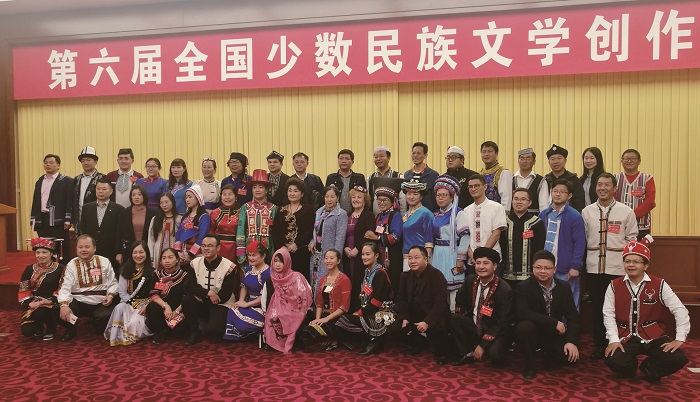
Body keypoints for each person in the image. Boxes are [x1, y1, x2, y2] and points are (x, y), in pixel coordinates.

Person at [603, 240, 689, 384]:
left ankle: (649, 368)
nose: (631, 265)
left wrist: (680, 338)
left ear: (646, 265)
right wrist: (613, 340)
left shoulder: (659, 284)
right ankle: (630, 368)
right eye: (627, 261)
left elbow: (680, 310)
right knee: (613, 359)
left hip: (654, 336)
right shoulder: (614, 285)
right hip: (626, 335)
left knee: (677, 358)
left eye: (636, 262)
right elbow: (608, 314)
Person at [582, 173, 638, 360]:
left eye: (607, 185)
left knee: (618, 309)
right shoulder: (587, 211)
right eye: (599, 184)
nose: (602, 188)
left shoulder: (626, 211)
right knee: (598, 308)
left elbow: (632, 240)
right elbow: (583, 239)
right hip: (593, 269)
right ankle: (600, 345)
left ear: (614, 188)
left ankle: (620, 343)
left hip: (617, 270)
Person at [514, 250, 580, 379]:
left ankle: (547, 352)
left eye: (547, 268)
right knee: (524, 327)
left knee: (567, 359)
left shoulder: (563, 287)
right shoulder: (523, 287)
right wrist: (553, 322)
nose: (542, 271)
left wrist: (571, 341)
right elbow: (522, 313)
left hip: (553, 334)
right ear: (532, 268)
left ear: (554, 269)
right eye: (538, 267)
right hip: (534, 331)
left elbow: (573, 316)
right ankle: (530, 365)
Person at [450, 247, 513, 368]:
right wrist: (462, 313)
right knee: (455, 318)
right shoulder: (470, 280)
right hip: (474, 325)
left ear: (495, 266)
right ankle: (467, 353)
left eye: (486, 263)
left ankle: (487, 348)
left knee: (495, 356)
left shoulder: (505, 290)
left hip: (494, 330)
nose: (481, 267)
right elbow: (459, 299)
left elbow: (503, 322)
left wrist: (482, 345)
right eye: (478, 263)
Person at [56, 235, 118, 341]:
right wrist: (64, 305)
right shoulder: (71, 264)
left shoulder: (104, 261)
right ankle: (71, 327)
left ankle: (96, 322)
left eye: (87, 247)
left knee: (105, 318)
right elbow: (64, 287)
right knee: (57, 310)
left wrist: (110, 295)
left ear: (94, 248)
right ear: (76, 249)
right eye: (80, 247)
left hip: (100, 302)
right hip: (78, 301)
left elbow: (113, 283)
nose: (83, 250)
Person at [335, 242, 394, 355]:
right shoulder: (367, 272)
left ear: (376, 255)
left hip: (379, 314)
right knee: (340, 322)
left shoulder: (380, 273)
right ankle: (369, 338)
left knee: (344, 320)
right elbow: (362, 295)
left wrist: (359, 313)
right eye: (362, 254)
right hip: (368, 311)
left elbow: (377, 302)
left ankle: (375, 339)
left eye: (367, 254)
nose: (364, 257)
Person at [181, 234, 240, 345]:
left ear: (218, 248)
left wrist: (204, 297)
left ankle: (209, 323)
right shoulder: (195, 263)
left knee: (214, 331)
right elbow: (188, 286)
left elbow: (225, 294)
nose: (206, 248)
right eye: (203, 246)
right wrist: (208, 293)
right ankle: (195, 331)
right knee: (187, 300)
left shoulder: (229, 266)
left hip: (221, 303)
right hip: (203, 300)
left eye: (210, 246)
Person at [397, 246, 451, 365]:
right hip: (414, 314)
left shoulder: (436, 275)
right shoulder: (405, 276)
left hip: (433, 315)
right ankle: (419, 343)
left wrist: (427, 322)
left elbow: (440, 303)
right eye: (410, 258)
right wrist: (405, 318)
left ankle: (442, 352)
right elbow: (401, 299)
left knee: (436, 330)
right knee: (395, 328)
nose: (412, 261)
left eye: (416, 257)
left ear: (426, 259)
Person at [538, 179, 585, 310]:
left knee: (569, 304)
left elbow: (579, 243)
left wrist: (575, 266)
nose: (558, 194)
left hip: (566, 269)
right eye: (555, 191)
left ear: (569, 195)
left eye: (562, 192)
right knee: (546, 304)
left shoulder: (575, 216)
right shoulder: (543, 214)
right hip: (545, 268)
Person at [104, 241, 156, 346]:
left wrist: (146, 306)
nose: (138, 255)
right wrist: (134, 304)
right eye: (135, 252)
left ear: (146, 253)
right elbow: (122, 293)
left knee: (134, 323)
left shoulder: (153, 272)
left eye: (141, 252)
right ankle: (115, 337)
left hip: (146, 305)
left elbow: (155, 293)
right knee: (119, 308)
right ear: (131, 254)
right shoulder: (125, 271)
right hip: (129, 302)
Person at [299, 249, 352, 352]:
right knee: (301, 331)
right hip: (323, 316)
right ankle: (328, 339)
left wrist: (325, 319)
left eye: (331, 258)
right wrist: (317, 320)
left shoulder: (344, 279)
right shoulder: (323, 279)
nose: (328, 261)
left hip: (337, 318)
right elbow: (319, 303)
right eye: (326, 258)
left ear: (338, 261)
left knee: (308, 334)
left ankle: (332, 339)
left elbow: (344, 307)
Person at [262, 248, 313, 353]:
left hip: (296, 310)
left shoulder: (297, 277)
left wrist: (293, 307)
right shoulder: (270, 279)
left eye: (281, 261)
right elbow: (264, 298)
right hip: (276, 309)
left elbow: (306, 294)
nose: (277, 264)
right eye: (275, 261)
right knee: (274, 316)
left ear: (287, 262)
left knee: (290, 316)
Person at [431, 174, 469, 312]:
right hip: (437, 253)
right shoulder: (435, 214)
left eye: (444, 195)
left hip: (452, 253)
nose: (440, 198)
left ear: (452, 197)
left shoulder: (459, 213)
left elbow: (465, 237)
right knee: (439, 290)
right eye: (438, 195)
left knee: (454, 291)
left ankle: (454, 317)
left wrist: (460, 258)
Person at [457, 174, 507, 275]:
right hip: (472, 261)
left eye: (476, 186)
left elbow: (496, 234)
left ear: (485, 187)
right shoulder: (466, 210)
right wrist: (471, 254)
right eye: (470, 187)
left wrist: (481, 256)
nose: (473, 189)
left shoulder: (496, 207)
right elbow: (466, 236)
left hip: (492, 258)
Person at [146, 248, 198, 345]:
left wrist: (176, 312)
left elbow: (187, 296)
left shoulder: (184, 275)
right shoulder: (157, 275)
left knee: (178, 332)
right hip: (163, 308)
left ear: (177, 259)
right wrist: (166, 306)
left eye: (170, 257)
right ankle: (160, 332)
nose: (167, 261)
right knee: (151, 307)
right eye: (164, 258)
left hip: (179, 309)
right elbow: (153, 294)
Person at [18, 237, 64, 341]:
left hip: (51, 302)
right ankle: (38, 325)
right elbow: (24, 289)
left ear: (51, 253)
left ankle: (51, 328)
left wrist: (51, 300)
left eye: (44, 252)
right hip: (33, 302)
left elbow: (62, 288)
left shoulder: (60, 268)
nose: (40, 255)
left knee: (41, 312)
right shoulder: (29, 269)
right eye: (38, 253)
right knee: (27, 331)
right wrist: (29, 303)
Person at [223, 241, 271, 341]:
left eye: (254, 255)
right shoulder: (248, 269)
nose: (251, 258)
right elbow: (244, 286)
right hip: (248, 303)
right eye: (249, 255)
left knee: (242, 324)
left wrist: (246, 304)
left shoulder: (267, 273)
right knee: (232, 310)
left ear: (263, 256)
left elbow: (264, 296)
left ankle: (251, 331)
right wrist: (241, 301)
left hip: (261, 307)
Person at [30, 153, 73, 262]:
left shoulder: (66, 181)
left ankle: (63, 268)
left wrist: (68, 219)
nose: (48, 165)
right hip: (42, 219)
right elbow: (35, 201)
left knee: (60, 248)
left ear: (58, 165)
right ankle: (48, 268)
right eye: (46, 163)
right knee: (45, 247)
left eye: (51, 163)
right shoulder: (39, 181)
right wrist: (33, 219)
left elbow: (69, 201)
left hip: (58, 219)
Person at [500, 188, 546, 287]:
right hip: (507, 274)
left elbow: (540, 247)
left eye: (523, 199)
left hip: (529, 275)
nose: (519, 202)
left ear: (530, 202)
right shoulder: (504, 222)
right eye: (516, 199)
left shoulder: (536, 222)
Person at [308, 185, 348, 299]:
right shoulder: (319, 212)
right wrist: (312, 241)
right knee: (315, 281)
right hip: (317, 255)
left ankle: (327, 307)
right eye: (327, 196)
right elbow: (316, 231)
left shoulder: (341, 214)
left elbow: (340, 238)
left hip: (330, 255)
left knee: (328, 283)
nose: (329, 199)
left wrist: (335, 256)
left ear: (337, 198)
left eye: (332, 197)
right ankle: (316, 306)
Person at [271, 178, 314, 283]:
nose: (292, 193)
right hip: (283, 252)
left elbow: (310, 230)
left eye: (295, 191)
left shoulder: (308, 209)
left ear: (302, 193)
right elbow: (275, 231)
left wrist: (297, 244)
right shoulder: (281, 209)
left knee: (300, 281)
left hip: (301, 252)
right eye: (289, 190)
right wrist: (283, 246)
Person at [364, 187, 403, 297]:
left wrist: (376, 238)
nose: (381, 203)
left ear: (392, 202)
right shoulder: (379, 216)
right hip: (380, 256)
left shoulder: (395, 215)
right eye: (379, 200)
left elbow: (395, 237)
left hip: (392, 256)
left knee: (392, 281)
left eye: (385, 200)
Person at [80, 177, 125, 271]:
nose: (100, 191)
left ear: (111, 191)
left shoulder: (119, 209)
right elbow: (83, 229)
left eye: (104, 189)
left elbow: (120, 233)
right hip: (91, 250)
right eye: (98, 189)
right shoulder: (87, 208)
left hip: (110, 251)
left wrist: (119, 252)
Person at [343, 185, 376, 312]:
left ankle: (359, 309)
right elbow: (342, 234)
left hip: (361, 254)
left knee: (359, 281)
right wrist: (345, 247)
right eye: (353, 197)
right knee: (348, 281)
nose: (355, 200)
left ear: (365, 200)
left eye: (359, 197)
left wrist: (357, 248)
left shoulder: (369, 215)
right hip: (347, 255)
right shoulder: (347, 215)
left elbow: (369, 236)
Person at [236, 169, 278, 265]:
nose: (257, 190)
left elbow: (277, 232)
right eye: (254, 187)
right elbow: (240, 230)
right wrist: (241, 252)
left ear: (266, 190)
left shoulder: (273, 208)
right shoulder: (245, 207)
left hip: (269, 251)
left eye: (261, 187)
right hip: (249, 251)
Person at [614, 149, 656, 240]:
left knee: (639, 249)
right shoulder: (615, 178)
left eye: (632, 158)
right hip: (619, 224)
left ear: (639, 161)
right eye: (626, 158)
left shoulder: (647, 178)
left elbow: (650, 202)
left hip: (641, 226)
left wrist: (632, 215)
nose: (629, 161)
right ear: (621, 161)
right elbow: (612, 200)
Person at [115, 186, 155, 265]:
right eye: (133, 195)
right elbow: (118, 233)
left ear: (144, 196)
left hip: (147, 249)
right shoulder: (125, 213)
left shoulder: (152, 213)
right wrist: (118, 252)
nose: (136, 197)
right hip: (128, 250)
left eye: (139, 194)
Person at [400, 181, 434, 272]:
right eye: (409, 194)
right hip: (406, 256)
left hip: (420, 258)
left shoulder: (426, 213)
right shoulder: (405, 214)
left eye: (415, 194)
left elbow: (429, 239)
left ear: (421, 196)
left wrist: (427, 258)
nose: (411, 197)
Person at [174, 185, 211, 266]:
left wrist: (190, 254)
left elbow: (202, 236)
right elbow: (179, 233)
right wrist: (178, 251)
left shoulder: (204, 217)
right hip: (183, 254)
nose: (187, 200)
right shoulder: (185, 216)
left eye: (190, 197)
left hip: (197, 254)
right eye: (186, 197)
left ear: (198, 197)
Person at [544, 144, 585, 212]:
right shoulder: (545, 180)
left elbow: (579, 203)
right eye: (553, 159)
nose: (556, 162)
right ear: (549, 162)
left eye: (559, 158)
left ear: (565, 160)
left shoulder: (573, 180)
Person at [72, 146, 104, 233]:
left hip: (97, 219)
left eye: (89, 160)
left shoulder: (102, 178)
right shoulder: (76, 180)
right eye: (83, 161)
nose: (86, 163)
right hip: (79, 219)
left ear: (95, 161)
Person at [325, 149, 366, 214]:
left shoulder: (359, 178)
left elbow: (365, 198)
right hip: (335, 215)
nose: (343, 161)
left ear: (352, 162)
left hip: (355, 215)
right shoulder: (331, 178)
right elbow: (326, 197)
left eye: (347, 159)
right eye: (341, 158)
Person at [147, 192, 182, 269]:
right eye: (161, 203)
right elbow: (151, 239)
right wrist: (151, 256)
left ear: (172, 202)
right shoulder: (155, 219)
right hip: (158, 252)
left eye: (166, 202)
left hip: (174, 251)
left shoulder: (179, 219)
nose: (164, 205)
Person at [368, 146, 405, 214]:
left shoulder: (398, 177)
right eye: (376, 157)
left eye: (381, 156)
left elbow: (403, 200)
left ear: (389, 157)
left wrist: (402, 216)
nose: (378, 159)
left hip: (394, 217)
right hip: (375, 217)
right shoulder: (370, 179)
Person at [512, 148, 549, 214]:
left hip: (534, 218)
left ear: (534, 161)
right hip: (513, 218)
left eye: (528, 158)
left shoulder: (541, 181)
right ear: (518, 161)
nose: (524, 161)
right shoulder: (511, 179)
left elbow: (544, 205)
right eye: (522, 158)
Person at [404, 142, 439, 212]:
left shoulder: (433, 175)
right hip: (411, 213)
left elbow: (434, 199)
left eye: (418, 153)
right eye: (413, 153)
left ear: (425, 155)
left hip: (427, 213)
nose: (415, 156)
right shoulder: (407, 174)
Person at [209, 184, 240, 262]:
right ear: (221, 197)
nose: (227, 197)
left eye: (230, 194)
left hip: (236, 248)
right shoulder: (215, 212)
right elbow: (211, 232)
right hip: (219, 248)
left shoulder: (241, 212)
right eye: (224, 194)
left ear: (236, 197)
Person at [479, 141, 512, 211]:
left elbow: (506, 197)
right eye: (484, 152)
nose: (486, 154)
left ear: (496, 154)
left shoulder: (503, 172)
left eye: (490, 151)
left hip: (496, 212)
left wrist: (504, 214)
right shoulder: (480, 173)